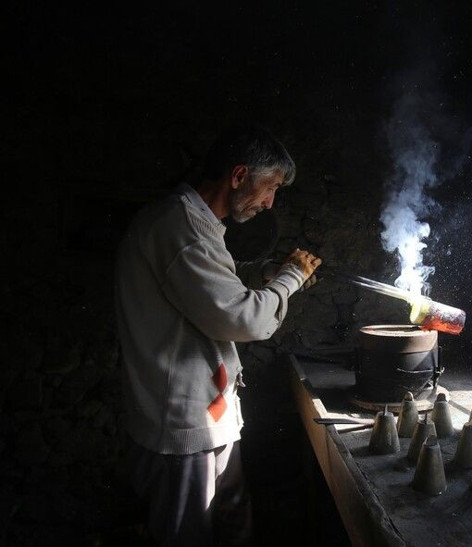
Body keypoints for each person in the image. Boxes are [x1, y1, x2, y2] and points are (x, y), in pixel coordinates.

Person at [114, 123, 321, 546]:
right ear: (239, 175)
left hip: (207, 418)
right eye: (270, 188)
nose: (269, 203)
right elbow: (243, 319)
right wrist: (290, 280)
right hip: (181, 427)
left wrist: (268, 275)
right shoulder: (179, 229)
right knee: (187, 536)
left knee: (231, 520)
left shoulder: (196, 225)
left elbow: (215, 288)